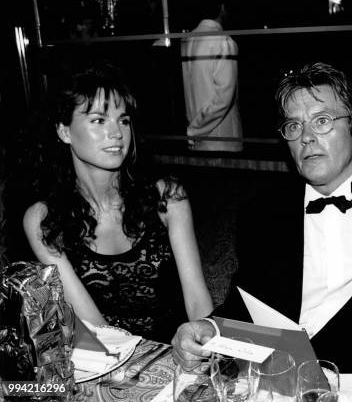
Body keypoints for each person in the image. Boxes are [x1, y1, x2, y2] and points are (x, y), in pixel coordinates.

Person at [172, 62, 352, 395]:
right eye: (294, 126)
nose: (306, 136)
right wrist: (206, 327)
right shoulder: (262, 213)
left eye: (322, 121)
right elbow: (246, 304)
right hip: (281, 386)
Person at [23, 64, 213, 342]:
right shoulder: (43, 219)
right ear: (64, 132)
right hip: (109, 361)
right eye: (99, 120)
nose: (117, 133)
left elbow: (198, 302)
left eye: (123, 120)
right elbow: (95, 329)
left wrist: (207, 348)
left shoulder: (167, 197)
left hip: (179, 351)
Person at [181, 0, 243, 152]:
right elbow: (224, 97)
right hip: (222, 139)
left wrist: (193, 130)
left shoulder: (187, 40)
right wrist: (194, 130)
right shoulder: (223, 41)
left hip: (196, 141)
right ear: (222, 7)